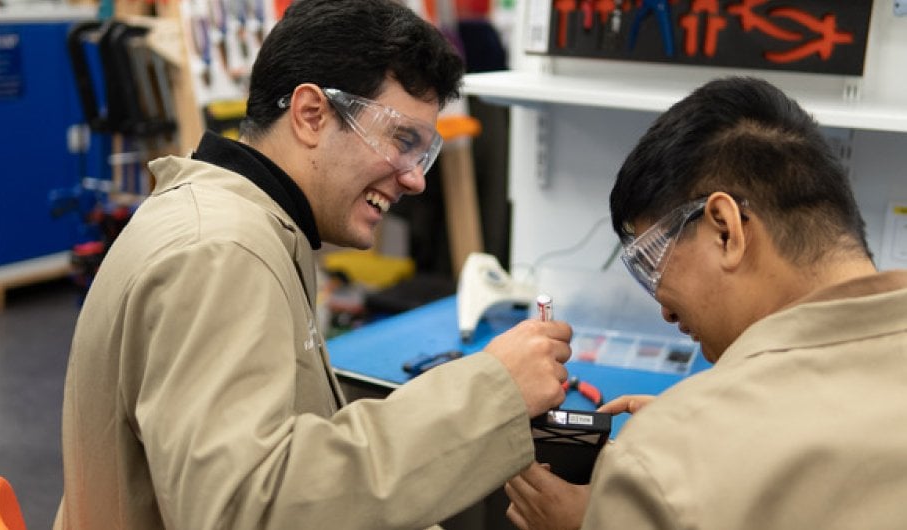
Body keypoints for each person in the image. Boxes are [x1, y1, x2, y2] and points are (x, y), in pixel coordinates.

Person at [53, 1, 573, 528]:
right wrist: (494, 392)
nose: (416, 178)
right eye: (402, 140)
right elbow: (242, 509)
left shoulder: (246, 221)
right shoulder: (219, 252)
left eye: (424, 153)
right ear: (310, 115)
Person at [504, 76, 907, 530]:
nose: (666, 310)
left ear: (724, 229)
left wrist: (610, 510)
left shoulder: (669, 456)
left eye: (651, 260)